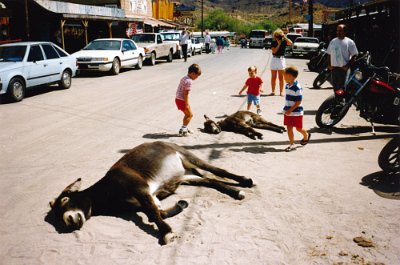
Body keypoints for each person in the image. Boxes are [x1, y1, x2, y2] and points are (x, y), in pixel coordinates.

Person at [282, 66, 310, 152]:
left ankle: (306, 135)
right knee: (289, 128)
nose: (284, 78)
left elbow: (298, 101)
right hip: (288, 111)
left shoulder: (297, 87)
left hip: (297, 112)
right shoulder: (287, 86)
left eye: (284, 76)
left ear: (290, 76)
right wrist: (287, 109)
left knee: (298, 128)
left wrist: (290, 110)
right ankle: (292, 144)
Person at [326, 24, 358, 92]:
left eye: (340, 31)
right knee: (335, 89)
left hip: (343, 70)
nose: (338, 32)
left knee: (342, 89)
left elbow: (354, 55)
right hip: (334, 69)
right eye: (337, 31)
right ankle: (336, 102)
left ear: (345, 32)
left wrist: (347, 66)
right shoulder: (333, 41)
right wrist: (329, 65)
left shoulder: (349, 42)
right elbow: (329, 54)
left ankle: (342, 102)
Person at [175, 64, 202, 136]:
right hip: (182, 100)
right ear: (193, 73)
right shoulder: (189, 81)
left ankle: (184, 127)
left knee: (187, 115)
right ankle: (183, 130)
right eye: (197, 76)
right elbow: (185, 93)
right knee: (190, 115)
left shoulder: (184, 78)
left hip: (178, 99)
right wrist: (187, 103)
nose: (197, 78)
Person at [270, 29, 292, 96]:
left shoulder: (284, 41)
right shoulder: (273, 42)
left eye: (279, 36)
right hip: (274, 59)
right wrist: (278, 44)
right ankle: (273, 91)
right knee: (273, 77)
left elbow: (290, 43)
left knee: (281, 78)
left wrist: (284, 36)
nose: (277, 37)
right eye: (276, 36)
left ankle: (281, 92)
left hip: (281, 59)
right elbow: (274, 52)